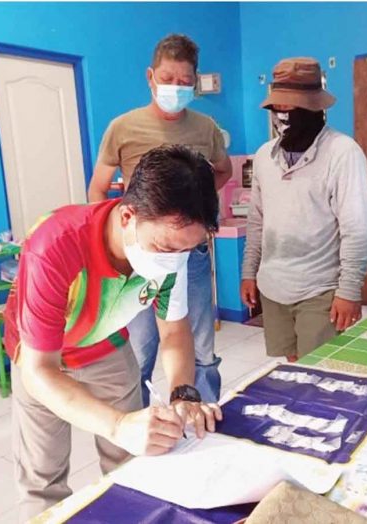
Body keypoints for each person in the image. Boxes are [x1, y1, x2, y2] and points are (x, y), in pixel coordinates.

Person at [6, 145, 223, 521]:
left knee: (135, 459)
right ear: (128, 215)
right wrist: (118, 424)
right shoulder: (55, 245)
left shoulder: (173, 250)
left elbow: (173, 332)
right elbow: (40, 371)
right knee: (43, 477)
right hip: (41, 359)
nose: (173, 261)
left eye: (188, 249)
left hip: (107, 347)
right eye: (165, 247)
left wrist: (183, 394)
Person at [88, 34, 232, 405]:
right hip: (137, 260)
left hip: (191, 257)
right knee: (140, 348)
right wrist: (118, 247)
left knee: (198, 345)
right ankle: (135, 423)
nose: (176, 87)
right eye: (168, 79)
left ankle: (202, 415)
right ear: (150, 76)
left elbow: (223, 170)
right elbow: (97, 192)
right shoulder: (123, 127)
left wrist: (193, 212)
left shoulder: (205, 128)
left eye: (185, 82)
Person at [241, 57, 367, 362]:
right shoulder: (264, 156)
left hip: (321, 289)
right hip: (273, 286)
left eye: (293, 106)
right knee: (292, 365)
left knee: (322, 370)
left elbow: (357, 230)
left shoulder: (343, 153)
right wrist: (249, 272)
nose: (284, 114)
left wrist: (349, 291)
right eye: (279, 106)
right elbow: (256, 221)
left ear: (315, 106)